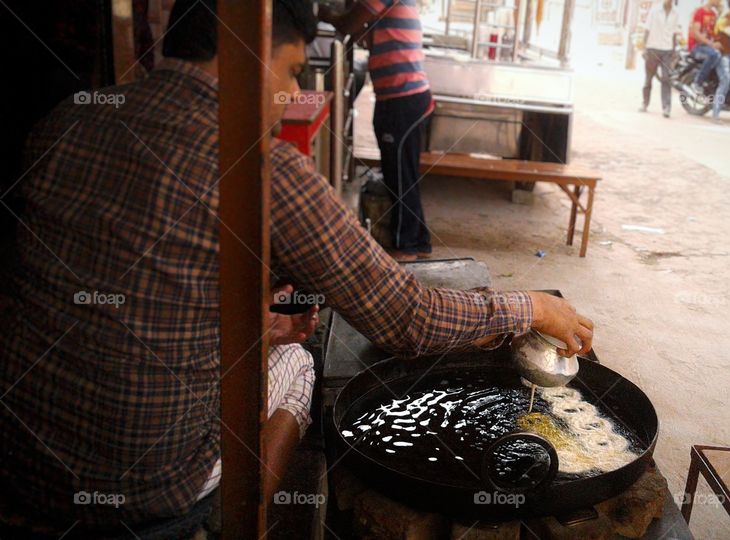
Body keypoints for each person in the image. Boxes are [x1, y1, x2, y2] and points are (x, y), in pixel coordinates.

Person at [0, 0, 593, 535]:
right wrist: (534, 306)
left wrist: (264, 320)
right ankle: (244, 517)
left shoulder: (68, 121)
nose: (289, 95)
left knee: (268, 335)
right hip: (149, 490)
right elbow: (407, 318)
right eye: (287, 73)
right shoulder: (259, 166)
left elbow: (138, 289)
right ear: (249, 50)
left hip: (20, 464)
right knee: (294, 364)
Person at [319, 0, 433, 261]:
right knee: (400, 171)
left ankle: (407, 246)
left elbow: (350, 23)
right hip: (396, 96)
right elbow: (361, 33)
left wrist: (327, 14)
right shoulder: (385, 10)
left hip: (404, 97)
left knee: (399, 173)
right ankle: (418, 240)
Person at [640, 0, 681, 118]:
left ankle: (666, 107)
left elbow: (674, 33)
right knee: (648, 78)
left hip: (667, 50)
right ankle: (645, 103)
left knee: (666, 78)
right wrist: (644, 48)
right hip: (653, 48)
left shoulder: (676, 13)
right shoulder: (654, 10)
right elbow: (647, 29)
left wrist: (674, 50)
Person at [687, 0, 723, 96]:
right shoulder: (699, 12)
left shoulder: (713, 14)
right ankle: (697, 83)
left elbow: (714, 33)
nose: (720, 1)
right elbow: (695, 34)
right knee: (713, 55)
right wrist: (711, 44)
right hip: (696, 47)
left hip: (706, 46)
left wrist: (720, 14)